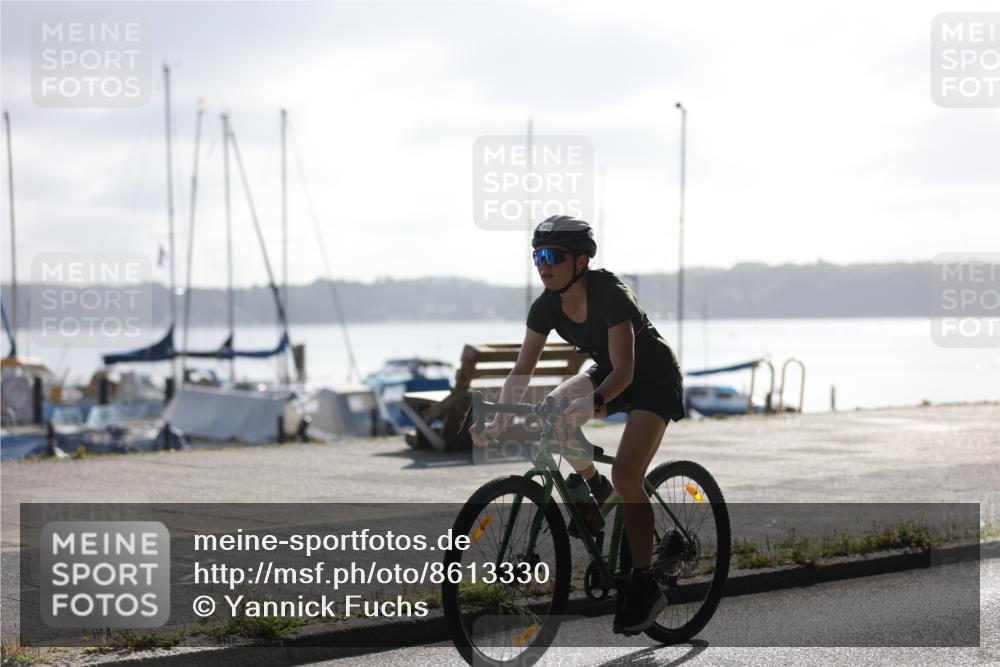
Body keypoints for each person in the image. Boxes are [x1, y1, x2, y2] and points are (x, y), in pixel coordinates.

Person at [471, 214, 685, 634]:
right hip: (608, 372)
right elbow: (522, 371)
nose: (543, 264)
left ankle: (643, 581)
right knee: (555, 408)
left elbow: (625, 369)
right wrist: (498, 417)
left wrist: (596, 401)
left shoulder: (612, 294)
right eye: (537, 256)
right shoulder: (546, 303)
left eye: (553, 256)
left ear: (582, 261)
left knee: (628, 473)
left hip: (651, 379)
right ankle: (594, 488)